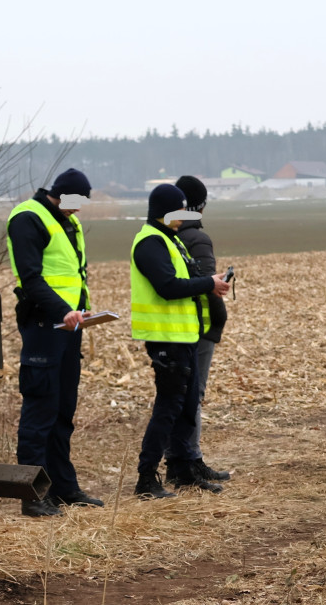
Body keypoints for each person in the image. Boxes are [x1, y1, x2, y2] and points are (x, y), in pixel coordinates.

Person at [5, 168, 101, 517]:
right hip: (44, 324)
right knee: (40, 410)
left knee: (63, 412)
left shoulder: (66, 221)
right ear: (61, 195)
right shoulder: (28, 218)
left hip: (68, 326)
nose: (78, 211)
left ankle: (64, 488)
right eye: (76, 202)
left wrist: (80, 310)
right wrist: (64, 310)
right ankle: (33, 495)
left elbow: (72, 273)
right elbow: (30, 278)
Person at [130, 184, 230, 498]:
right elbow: (168, 286)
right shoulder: (150, 242)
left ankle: (185, 472)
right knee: (168, 408)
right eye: (178, 212)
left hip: (184, 337)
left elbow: (185, 280)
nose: (183, 218)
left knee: (187, 407)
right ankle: (146, 478)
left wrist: (209, 285)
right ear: (163, 211)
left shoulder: (170, 239)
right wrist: (208, 284)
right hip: (165, 339)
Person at [167, 175, 231, 484]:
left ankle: (178, 459)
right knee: (193, 394)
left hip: (177, 326)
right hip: (200, 326)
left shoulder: (168, 236)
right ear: (200, 207)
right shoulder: (198, 239)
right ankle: (190, 460)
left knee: (178, 394)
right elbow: (210, 285)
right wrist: (219, 318)